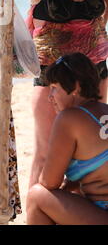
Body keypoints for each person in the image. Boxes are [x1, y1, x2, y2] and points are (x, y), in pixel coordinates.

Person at [0, 0, 108, 188]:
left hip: (94, 73)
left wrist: (97, 28)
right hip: (51, 78)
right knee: (47, 155)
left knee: (90, 150)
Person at [27, 53, 108, 225]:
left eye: (54, 87)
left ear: (76, 87)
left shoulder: (69, 118)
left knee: (36, 196)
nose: (50, 97)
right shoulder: (105, 110)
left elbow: (49, 182)